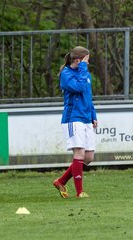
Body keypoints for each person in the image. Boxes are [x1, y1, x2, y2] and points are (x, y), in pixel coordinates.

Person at [53, 46, 98, 198]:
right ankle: (80, 192)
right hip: (73, 118)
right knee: (79, 154)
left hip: (86, 118)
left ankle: (61, 181)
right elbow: (78, 88)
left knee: (89, 157)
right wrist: (83, 67)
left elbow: (88, 96)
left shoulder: (85, 73)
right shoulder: (66, 74)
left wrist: (93, 114)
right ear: (78, 60)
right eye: (86, 61)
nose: (88, 64)